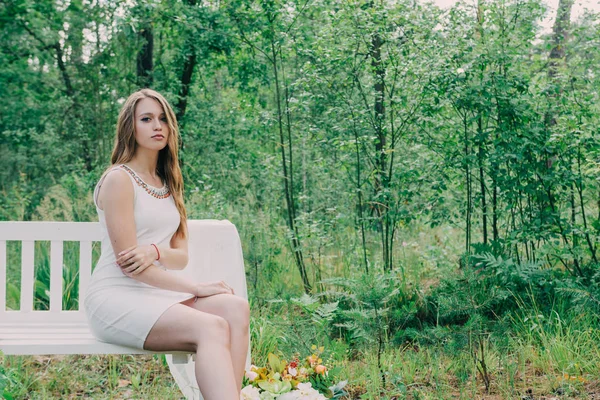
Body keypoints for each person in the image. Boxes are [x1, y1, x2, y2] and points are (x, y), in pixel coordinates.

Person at [84, 88, 249, 399]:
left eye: (163, 119)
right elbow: (131, 267)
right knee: (211, 328)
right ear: (130, 128)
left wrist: (156, 251)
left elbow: (180, 257)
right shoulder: (119, 179)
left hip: (156, 295)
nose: (157, 126)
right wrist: (195, 288)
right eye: (146, 119)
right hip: (116, 296)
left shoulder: (169, 182)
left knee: (235, 309)